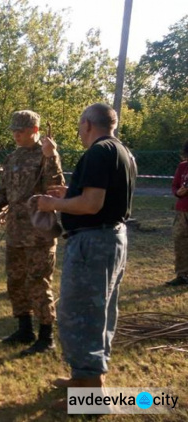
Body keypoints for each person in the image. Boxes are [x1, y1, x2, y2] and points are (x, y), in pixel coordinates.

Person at [37, 103, 137, 403]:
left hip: (92, 242)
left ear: (87, 124)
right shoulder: (122, 152)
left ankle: (90, 393)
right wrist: (69, 195)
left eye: (81, 127)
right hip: (112, 237)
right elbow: (104, 199)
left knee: (80, 312)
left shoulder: (97, 152)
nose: (80, 133)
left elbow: (92, 205)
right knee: (101, 311)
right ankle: (84, 376)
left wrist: (52, 204)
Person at [0, 110, 64, 356]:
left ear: (35, 131)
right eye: (13, 130)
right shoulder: (11, 158)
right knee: (15, 281)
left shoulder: (45, 157)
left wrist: (51, 156)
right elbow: (3, 195)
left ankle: (46, 336)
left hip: (38, 232)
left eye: (20, 131)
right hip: (15, 232)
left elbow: (56, 188)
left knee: (38, 282)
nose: (15, 135)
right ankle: (24, 329)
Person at [166, 140, 188, 286]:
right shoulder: (182, 167)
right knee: (180, 241)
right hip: (182, 210)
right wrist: (178, 193)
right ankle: (182, 275)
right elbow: (175, 185)